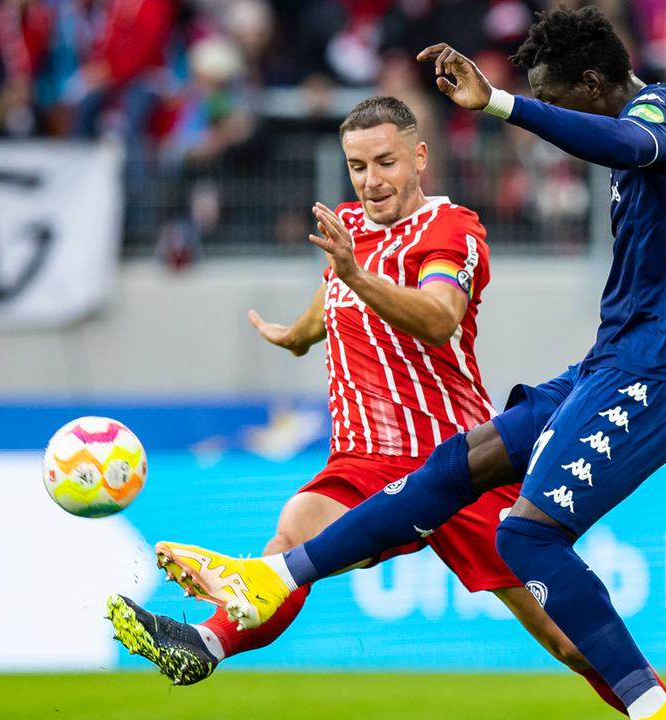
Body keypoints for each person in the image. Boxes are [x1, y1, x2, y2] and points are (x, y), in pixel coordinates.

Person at [153, 8, 666, 719]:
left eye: (562, 100)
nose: (563, 126)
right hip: (620, 360)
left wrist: (504, 103)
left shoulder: (655, 115)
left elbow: (628, 143)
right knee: (458, 463)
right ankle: (271, 579)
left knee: (528, 534)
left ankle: (657, 710)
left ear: (596, 84)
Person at [107, 95, 633, 714]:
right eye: (358, 166)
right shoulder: (348, 232)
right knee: (293, 536)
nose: (371, 180)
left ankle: (653, 705)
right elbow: (333, 295)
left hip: (461, 462)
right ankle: (204, 644)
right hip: (365, 460)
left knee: (568, 644)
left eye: (385, 162)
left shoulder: (452, 229)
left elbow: (440, 319)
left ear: (419, 157)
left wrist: (355, 277)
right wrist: (298, 335)